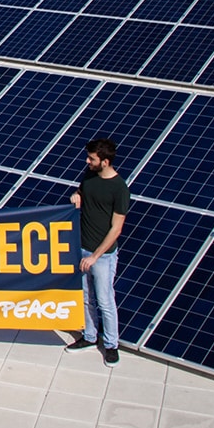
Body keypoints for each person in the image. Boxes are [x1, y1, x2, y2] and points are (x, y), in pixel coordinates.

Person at [66, 137, 129, 367]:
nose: (87, 161)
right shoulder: (89, 176)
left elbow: (116, 229)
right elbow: (83, 191)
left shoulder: (119, 189)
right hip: (82, 249)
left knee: (105, 300)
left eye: (91, 158)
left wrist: (95, 256)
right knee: (85, 298)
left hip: (102, 257)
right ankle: (90, 337)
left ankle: (112, 345)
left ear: (104, 161)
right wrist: (77, 196)